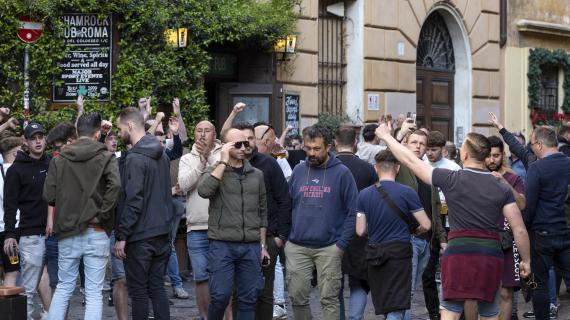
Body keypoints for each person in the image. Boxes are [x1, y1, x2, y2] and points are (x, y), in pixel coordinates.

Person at [374, 122, 531, 320]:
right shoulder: (500, 186)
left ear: (464, 155)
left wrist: (387, 137)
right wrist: (526, 260)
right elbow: (520, 230)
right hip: (490, 255)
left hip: (458, 255)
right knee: (490, 314)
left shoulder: (451, 178)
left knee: (450, 313)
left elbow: (411, 162)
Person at [43, 112, 121, 320]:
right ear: (97, 134)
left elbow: (49, 195)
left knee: (63, 288)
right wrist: (103, 213)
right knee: (94, 293)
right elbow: (116, 186)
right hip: (96, 230)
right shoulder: (105, 156)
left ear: (77, 132)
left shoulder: (60, 159)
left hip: (68, 230)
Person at [287, 124, 358, 320]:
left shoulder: (342, 173)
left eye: (316, 148)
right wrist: (285, 238)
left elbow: (353, 211)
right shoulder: (299, 171)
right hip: (297, 245)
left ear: (328, 146)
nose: (311, 153)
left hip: (329, 247)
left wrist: (341, 245)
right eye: (307, 148)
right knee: (297, 297)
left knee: (329, 299)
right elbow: (287, 204)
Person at [197, 128, 270, 320]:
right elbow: (204, 191)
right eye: (237, 144)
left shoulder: (257, 174)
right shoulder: (216, 170)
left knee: (248, 298)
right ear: (225, 146)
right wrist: (222, 161)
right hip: (222, 244)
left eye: (246, 143)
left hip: (251, 246)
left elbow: (262, 212)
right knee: (220, 296)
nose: (243, 147)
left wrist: (262, 246)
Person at [114, 107, 175, 320]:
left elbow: (133, 199)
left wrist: (122, 235)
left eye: (120, 128)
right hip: (162, 232)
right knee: (157, 287)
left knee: (139, 291)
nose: (119, 132)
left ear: (130, 126)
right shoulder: (162, 156)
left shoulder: (134, 158)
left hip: (140, 235)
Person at [355, 150, 431, 319]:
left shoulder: (364, 194)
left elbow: (360, 230)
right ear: (397, 168)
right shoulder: (408, 192)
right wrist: (415, 230)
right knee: (397, 304)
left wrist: (373, 230)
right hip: (400, 253)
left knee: (385, 303)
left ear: (376, 168)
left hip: (375, 254)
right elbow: (426, 224)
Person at [232, 122, 292, 320]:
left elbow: (284, 199)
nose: (246, 143)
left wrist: (280, 237)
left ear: (255, 140)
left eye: (250, 138)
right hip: (235, 239)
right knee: (236, 292)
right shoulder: (228, 164)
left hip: (268, 239)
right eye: (241, 139)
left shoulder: (269, 164)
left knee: (264, 294)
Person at [3, 122, 52, 320]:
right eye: (33, 137)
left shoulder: (54, 164)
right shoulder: (16, 170)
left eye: (40, 136)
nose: (38, 141)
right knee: (29, 290)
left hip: (57, 235)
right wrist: (9, 234)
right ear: (26, 141)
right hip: (30, 236)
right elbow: (10, 205)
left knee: (60, 287)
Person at [396, 130, 446, 320]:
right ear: (406, 145)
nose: (418, 146)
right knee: (406, 292)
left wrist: (442, 238)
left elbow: (436, 208)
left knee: (410, 289)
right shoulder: (399, 167)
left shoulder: (428, 172)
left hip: (426, 240)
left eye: (422, 143)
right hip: (407, 238)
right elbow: (385, 156)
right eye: (414, 142)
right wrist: (398, 135)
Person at [524, 126, 570, 320]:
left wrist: (524, 230)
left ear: (540, 144)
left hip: (542, 235)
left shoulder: (537, 167)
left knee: (539, 283)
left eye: (533, 144)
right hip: (567, 232)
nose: (532, 148)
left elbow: (529, 204)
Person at [178, 120, 222, 319]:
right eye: (199, 131)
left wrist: (211, 160)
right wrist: (201, 162)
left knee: (223, 277)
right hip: (196, 227)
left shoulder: (223, 154)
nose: (202, 134)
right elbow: (185, 184)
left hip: (221, 226)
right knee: (201, 277)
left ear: (214, 135)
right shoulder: (187, 159)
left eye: (207, 131)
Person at [334, 126, 378, 320]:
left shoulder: (329, 166)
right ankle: (355, 318)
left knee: (334, 283)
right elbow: (375, 201)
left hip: (333, 231)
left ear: (335, 142)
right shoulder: (368, 169)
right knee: (359, 281)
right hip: (361, 232)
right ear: (355, 143)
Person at [485, 136, 526, 320]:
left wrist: (505, 183)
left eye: (496, 155)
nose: (491, 160)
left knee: (505, 293)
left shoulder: (513, 178)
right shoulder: (475, 176)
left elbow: (522, 205)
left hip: (507, 242)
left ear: (503, 155)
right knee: (482, 293)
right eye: (488, 156)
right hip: (482, 241)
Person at [0, 136, 23, 287]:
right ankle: (10, 309)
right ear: (15, 154)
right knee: (12, 271)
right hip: (13, 231)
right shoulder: (18, 172)